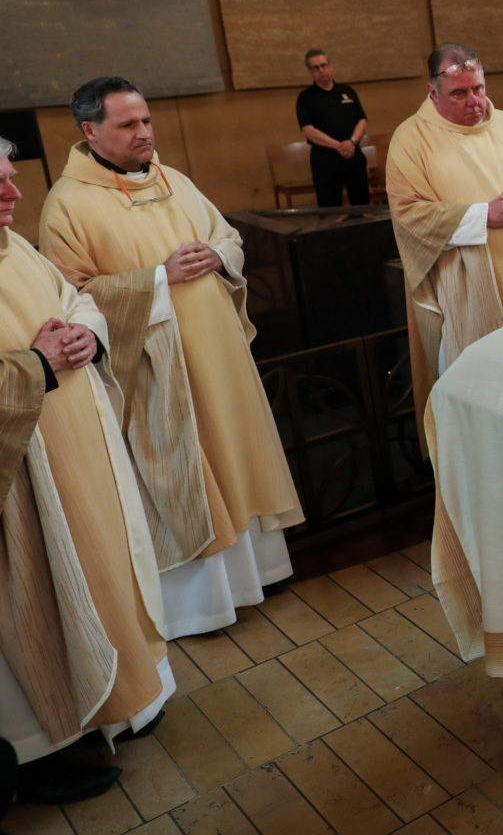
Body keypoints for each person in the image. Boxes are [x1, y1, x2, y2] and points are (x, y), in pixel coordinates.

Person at [38, 76, 305, 638]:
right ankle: (207, 603)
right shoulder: (67, 204)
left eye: (147, 120)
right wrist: (160, 277)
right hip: (155, 367)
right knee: (186, 470)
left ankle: (263, 570)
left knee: (235, 451)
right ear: (90, 131)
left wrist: (214, 253)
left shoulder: (172, 178)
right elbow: (71, 295)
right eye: (128, 124)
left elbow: (227, 236)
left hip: (219, 353)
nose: (145, 133)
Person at [0, 142, 173, 803]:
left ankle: (115, 705)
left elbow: (76, 299)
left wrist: (86, 334)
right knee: (38, 605)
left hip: (78, 459)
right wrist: (38, 367)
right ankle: (45, 754)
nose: (15, 196)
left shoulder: (15, 247)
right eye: (0, 186)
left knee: (100, 573)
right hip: (21, 485)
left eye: (12, 181)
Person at [384, 44, 503, 429]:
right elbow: (409, 213)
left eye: (479, 88)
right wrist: (485, 215)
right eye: (459, 93)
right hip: (471, 286)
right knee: (486, 400)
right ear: (433, 92)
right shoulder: (411, 139)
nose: (475, 102)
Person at [295, 48, 370, 208]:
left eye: (324, 65)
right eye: (316, 67)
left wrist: (352, 142)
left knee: (363, 207)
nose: (321, 70)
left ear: (331, 66)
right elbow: (308, 130)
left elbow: (362, 120)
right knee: (330, 211)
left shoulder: (347, 91)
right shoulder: (305, 97)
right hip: (325, 161)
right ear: (310, 72)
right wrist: (338, 146)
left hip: (353, 156)